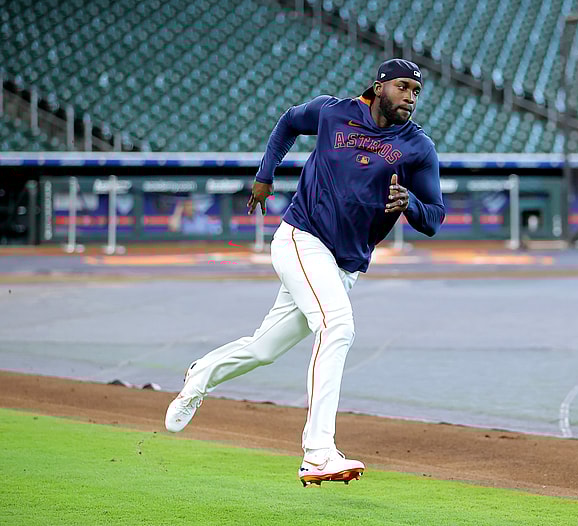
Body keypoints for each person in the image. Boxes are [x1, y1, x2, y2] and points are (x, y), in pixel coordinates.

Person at [164, 58, 445, 486]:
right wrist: (264, 175)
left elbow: (435, 218)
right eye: (403, 87)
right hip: (301, 238)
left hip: (344, 265)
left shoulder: (417, 147)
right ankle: (318, 453)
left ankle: (199, 376)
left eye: (416, 92)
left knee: (264, 349)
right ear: (379, 86)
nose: (410, 97)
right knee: (337, 327)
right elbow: (288, 122)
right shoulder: (334, 112)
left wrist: (411, 204)